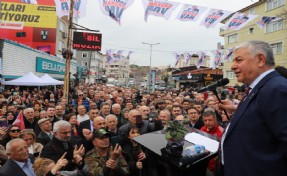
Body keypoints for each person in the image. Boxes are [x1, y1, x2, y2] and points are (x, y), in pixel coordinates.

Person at [220, 41, 287, 176]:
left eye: (239, 60)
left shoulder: (277, 88)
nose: (233, 66)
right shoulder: (258, 87)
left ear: (260, 60)